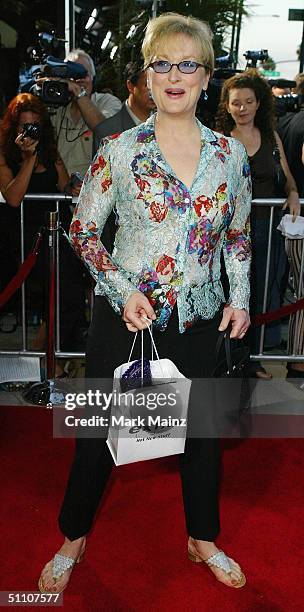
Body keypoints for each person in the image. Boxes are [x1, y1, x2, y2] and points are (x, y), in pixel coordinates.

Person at [39, 12, 251, 593]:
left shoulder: (230, 157)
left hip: (201, 318)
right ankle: (72, 538)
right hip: (128, 317)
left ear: (207, 76)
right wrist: (121, 289)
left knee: (202, 437)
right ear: (148, 76)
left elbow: (235, 234)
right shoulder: (120, 150)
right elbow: (82, 231)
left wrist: (241, 297)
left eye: (188, 63)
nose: (175, 75)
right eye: (163, 63)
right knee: (101, 434)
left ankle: (202, 537)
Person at [216, 69, 300, 379]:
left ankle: (254, 358)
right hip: (231, 234)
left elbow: (288, 179)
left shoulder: (271, 137)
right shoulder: (220, 142)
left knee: (265, 294)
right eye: (236, 103)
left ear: (258, 104)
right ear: (227, 105)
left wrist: (292, 194)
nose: (242, 108)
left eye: (248, 102)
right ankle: (231, 357)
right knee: (231, 292)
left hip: (266, 233)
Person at [0, 93, 87, 358]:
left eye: (34, 125)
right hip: (26, 234)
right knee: (59, 292)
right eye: (24, 125)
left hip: (56, 230)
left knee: (70, 291)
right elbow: (14, 197)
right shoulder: (5, 154)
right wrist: (28, 159)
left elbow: (62, 185)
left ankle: (52, 353)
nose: (29, 131)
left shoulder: (48, 150)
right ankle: (45, 352)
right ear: (13, 127)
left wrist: (73, 185)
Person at [51, 49, 122, 177]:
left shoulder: (107, 102)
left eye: (83, 74)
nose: (79, 80)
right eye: (73, 75)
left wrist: (78, 92)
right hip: (60, 190)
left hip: (93, 191)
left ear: (93, 77)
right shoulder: (58, 109)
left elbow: (105, 129)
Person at [277, 75, 304, 378]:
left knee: (296, 290)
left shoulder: (287, 122)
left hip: (292, 221)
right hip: (299, 220)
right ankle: (298, 361)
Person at [93, 60, 156, 154]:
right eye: (147, 85)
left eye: (158, 85)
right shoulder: (107, 132)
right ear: (130, 86)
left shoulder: (167, 125)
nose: (154, 92)